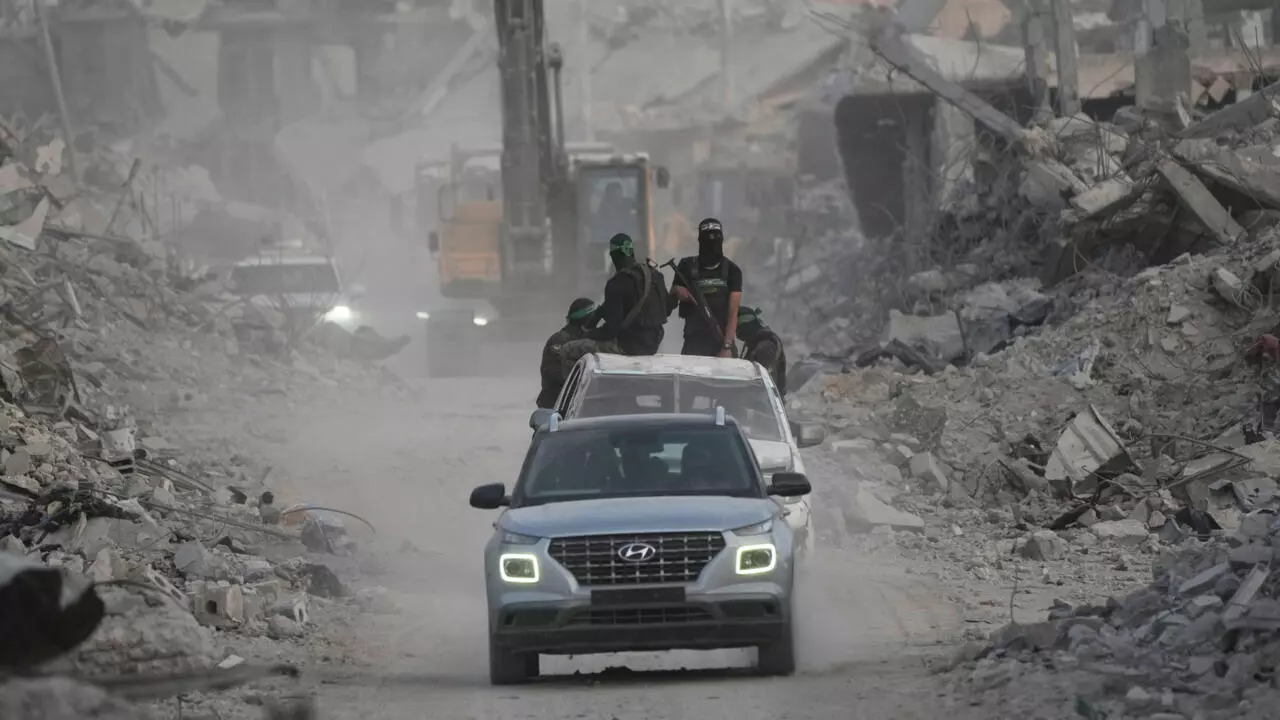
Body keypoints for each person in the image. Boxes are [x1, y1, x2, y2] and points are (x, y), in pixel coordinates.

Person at [559, 233, 668, 375]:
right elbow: (667, 310)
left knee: (568, 350)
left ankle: (577, 389)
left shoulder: (616, 283)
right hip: (654, 344)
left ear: (613, 256)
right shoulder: (655, 276)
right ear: (631, 252)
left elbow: (610, 331)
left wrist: (586, 334)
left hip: (628, 347)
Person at [668, 218, 743, 358]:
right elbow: (669, 302)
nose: (712, 245)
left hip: (721, 342)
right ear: (700, 241)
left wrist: (727, 345)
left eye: (715, 240)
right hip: (694, 342)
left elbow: (733, 312)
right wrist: (678, 291)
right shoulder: (686, 266)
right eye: (707, 241)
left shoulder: (732, 271)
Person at [536, 297, 598, 409]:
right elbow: (552, 374)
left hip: (577, 404)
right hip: (556, 405)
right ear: (585, 319)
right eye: (593, 317)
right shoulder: (560, 340)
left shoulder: (588, 340)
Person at [736, 306, 787, 398]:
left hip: (761, 402)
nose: (736, 333)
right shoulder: (757, 343)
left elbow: (759, 382)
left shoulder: (764, 347)